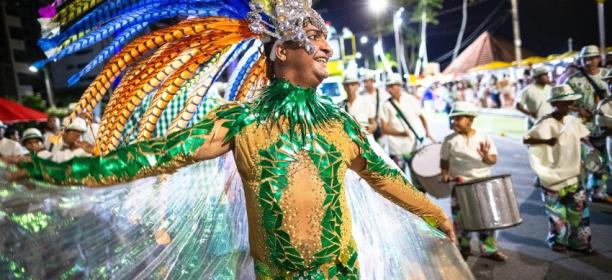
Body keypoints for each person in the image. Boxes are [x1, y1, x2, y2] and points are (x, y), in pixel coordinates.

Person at [7, 2, 469, 279]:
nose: (327, 48)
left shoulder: (339, 125)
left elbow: (387, 178)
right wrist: (57, 171)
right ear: (281, 51)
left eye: (326, 39)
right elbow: (151, 157)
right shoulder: (240, 121)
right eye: (314, 39)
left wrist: (435, 215)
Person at [523, 85, 595, 254]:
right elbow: (527, 140)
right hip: (552, 177)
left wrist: (592, 151)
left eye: (569, 103)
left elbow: (584, 138)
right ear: (555, 103)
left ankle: (580, 242)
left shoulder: (574, 121)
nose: (568, 106)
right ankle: (558, 240)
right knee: (556, 214)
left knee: (578, 213)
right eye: (563, 103)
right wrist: (546, 142)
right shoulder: (546, 122)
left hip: (573, 176)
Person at [440, 101, 507, 262]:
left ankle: (489, 249)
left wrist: (485, 157)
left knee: (486, 219)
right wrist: (445, 174)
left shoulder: (483, 137)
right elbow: (444, 161)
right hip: (460, 186)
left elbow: (493, 159)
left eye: (458, 118)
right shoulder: (449, 140)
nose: (453, 122)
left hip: (482, 184)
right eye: (452, 119)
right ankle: (464, 247)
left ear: (470, 120)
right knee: (461, 220)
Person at [566, 45, 612, 204]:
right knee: (582, 161)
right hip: (582, 128)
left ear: (599, 58)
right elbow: (563, 103)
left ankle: (599, 190)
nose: (588, 62)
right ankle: (580, 191)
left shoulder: (607, 76)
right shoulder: (573, 80)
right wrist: (577, 109)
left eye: (592, 58)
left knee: (604, 161)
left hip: (604, 128)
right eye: (585, 59)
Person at [380, 74, 434, 171]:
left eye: (392, 86)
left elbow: (422, 116)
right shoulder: (386, 105)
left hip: (412, 147)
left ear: (399, 86)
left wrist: (427, 131)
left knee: (417, 177)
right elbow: (384, 128)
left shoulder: (411, 99)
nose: (390, 89)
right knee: (400, 181)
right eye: (388, 86)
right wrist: (401, 133)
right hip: (395, 149)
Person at [359, 72, 388, 140]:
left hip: (381, 126)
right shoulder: (362, 95)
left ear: (372, 81)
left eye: (367, 81)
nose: (365, 84)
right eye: (364, 81)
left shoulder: (381, 93)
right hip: (369, 125)